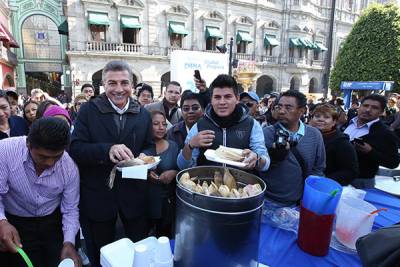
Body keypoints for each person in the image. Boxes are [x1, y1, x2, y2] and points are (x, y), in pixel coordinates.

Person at [69, 60, 154, 267]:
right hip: (99, 196)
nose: (118, 89)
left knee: (137, 253)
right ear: (103, 85)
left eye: (124, 83)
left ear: (132, 86)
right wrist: (107, 150)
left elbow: (150, 146)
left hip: (134, 196)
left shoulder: (142, 113)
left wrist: (144, 156)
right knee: (101, 254)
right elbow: (76, 148)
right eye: (112, 83)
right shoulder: (88, 110)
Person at [0, 117, 81, 267]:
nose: (50, 163)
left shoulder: (69, 166)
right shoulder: (4, 152)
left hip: (52, 223)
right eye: (43, 157)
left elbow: (70, 209)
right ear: (28, 144)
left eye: (56, 157)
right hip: (16, 223)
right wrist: (2, 222)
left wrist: (69, 242)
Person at [177, 74, 270, 172]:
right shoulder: (200, 125)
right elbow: (182, 166)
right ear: (211, 99)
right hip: (208, 184)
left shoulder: (252, 125)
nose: (222, 102)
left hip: (241, 184)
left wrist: (257, 159)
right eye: (217, 97)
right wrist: (190, 145)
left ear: (237, 98)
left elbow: (265, 164)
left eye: (227, 97)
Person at [262, 90, 325, 206]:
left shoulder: (314, 135)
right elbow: (257, 167)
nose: (281, 111)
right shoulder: (265, 134)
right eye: (279, 107)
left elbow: (318, 168)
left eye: (288, 107)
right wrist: (274, 158)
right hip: (267, 201)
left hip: (299, 203)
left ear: (302, 111)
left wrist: (310, 195)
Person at [344, 94, 400, 189]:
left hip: (360, 182)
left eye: (374, 108)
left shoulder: (385, 133)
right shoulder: (349, 123)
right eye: (365, 106)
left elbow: (393, 162)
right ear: (359, 107)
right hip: (335, 175)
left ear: (381, 112)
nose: (368, 110)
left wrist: (370, 151)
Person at [147, 111, 179, 238]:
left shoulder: (174, 146)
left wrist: (174, 173)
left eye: (164, 124)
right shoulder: (140, 146)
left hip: (167, 203)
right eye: (156, 124)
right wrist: (146, 172)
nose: (161, 127)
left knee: (163, 238)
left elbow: (181, 170)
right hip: (145, 202)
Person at [309, 104, 359, 186]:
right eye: (317, 116)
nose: (321, 119)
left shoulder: (342, 142)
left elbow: (351, 171)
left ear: (334, 122)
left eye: (326, 117)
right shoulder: (306, 136)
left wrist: (324, 180)